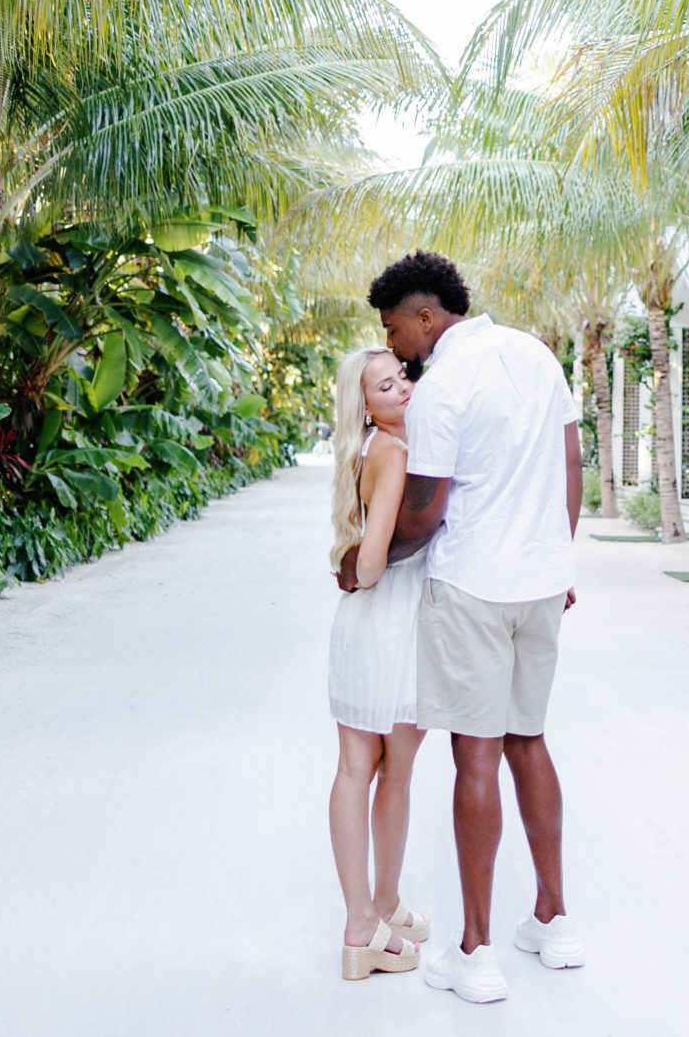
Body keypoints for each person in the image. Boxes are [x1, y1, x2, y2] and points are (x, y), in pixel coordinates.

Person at [352, 250, 586, 1004]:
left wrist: (366, 560)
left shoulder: (444, 383)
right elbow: (570, 460)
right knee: (531, 740)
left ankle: (475, 952)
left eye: (396, 331)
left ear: (427, 317)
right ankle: (554, 920)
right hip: (542, 583)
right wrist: (559, 555)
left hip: (475, 585)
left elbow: (425, 512)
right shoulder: (535, 354)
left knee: (476, 758)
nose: (395, 349)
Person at [325, 347, 432, 981]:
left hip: (366, 629)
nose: (403, 391)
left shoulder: (366, 450)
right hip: (390, 620)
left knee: (355, 770)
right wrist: (364, 575)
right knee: (390, 773)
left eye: (403, 377)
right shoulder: (393, 453)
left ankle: (371, 914)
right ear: (365, 404)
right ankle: (369, 919)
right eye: (386, 386)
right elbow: (368, 565)